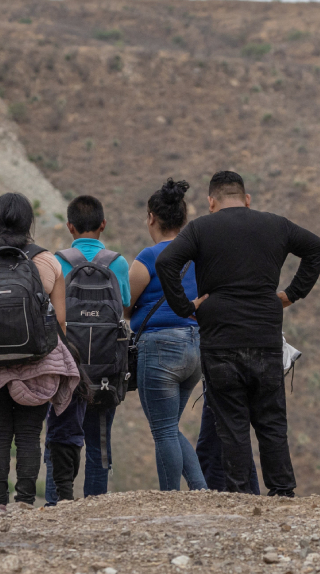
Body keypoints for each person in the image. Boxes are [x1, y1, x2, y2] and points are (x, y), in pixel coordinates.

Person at [155, 171, 320, 496]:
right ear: (246, 199)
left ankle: (240, 497)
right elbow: (318, 248)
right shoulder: (276, 224)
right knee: (272, 421)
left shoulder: (201, 228)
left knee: (232, 426)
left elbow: (165, 262)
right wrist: (290, 294)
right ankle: (282, 493)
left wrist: (186, 307)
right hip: (264, 337)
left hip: (220, 342)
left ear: (211, 202)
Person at [0, 193, 81, 512]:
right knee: (29, 434)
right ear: (28, 222)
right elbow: (60, 320)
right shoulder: (48, 262)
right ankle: (23, 502)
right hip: (37, 362)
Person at [45, 195, 132, 503]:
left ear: (70, 227)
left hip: (64, 370)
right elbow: (124, 310)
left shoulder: (56, 261)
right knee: (99, 446)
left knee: (58, 439)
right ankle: (93, 511)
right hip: (106, 372)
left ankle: (55, 507)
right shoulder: (118, 263)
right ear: (103, 225)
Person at [128, 179, 206, 492]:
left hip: (159, 348)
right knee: (170, 428)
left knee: (162, 430)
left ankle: (170, 499)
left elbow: (125, 305)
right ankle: (200, 489)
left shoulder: (147, 258)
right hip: (195, 347)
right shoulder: (199, 258)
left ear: (151, 218)